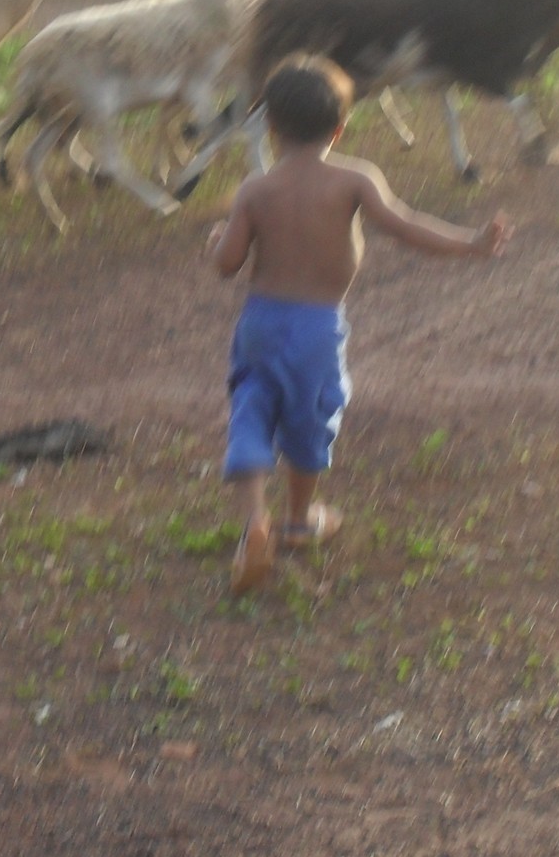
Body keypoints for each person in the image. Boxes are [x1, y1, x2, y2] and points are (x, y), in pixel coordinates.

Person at [205, 56, 510, 594]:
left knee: (251, 409)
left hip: (261, 323)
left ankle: (255, 522)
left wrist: (215, 243)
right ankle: (298, 520)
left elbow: (228, 264)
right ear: (340, 127)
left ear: (270, 126)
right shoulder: (354, 179)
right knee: (309, 417)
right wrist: (471, 242)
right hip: (317, 329)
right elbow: (406, 224)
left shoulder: (255, 189)